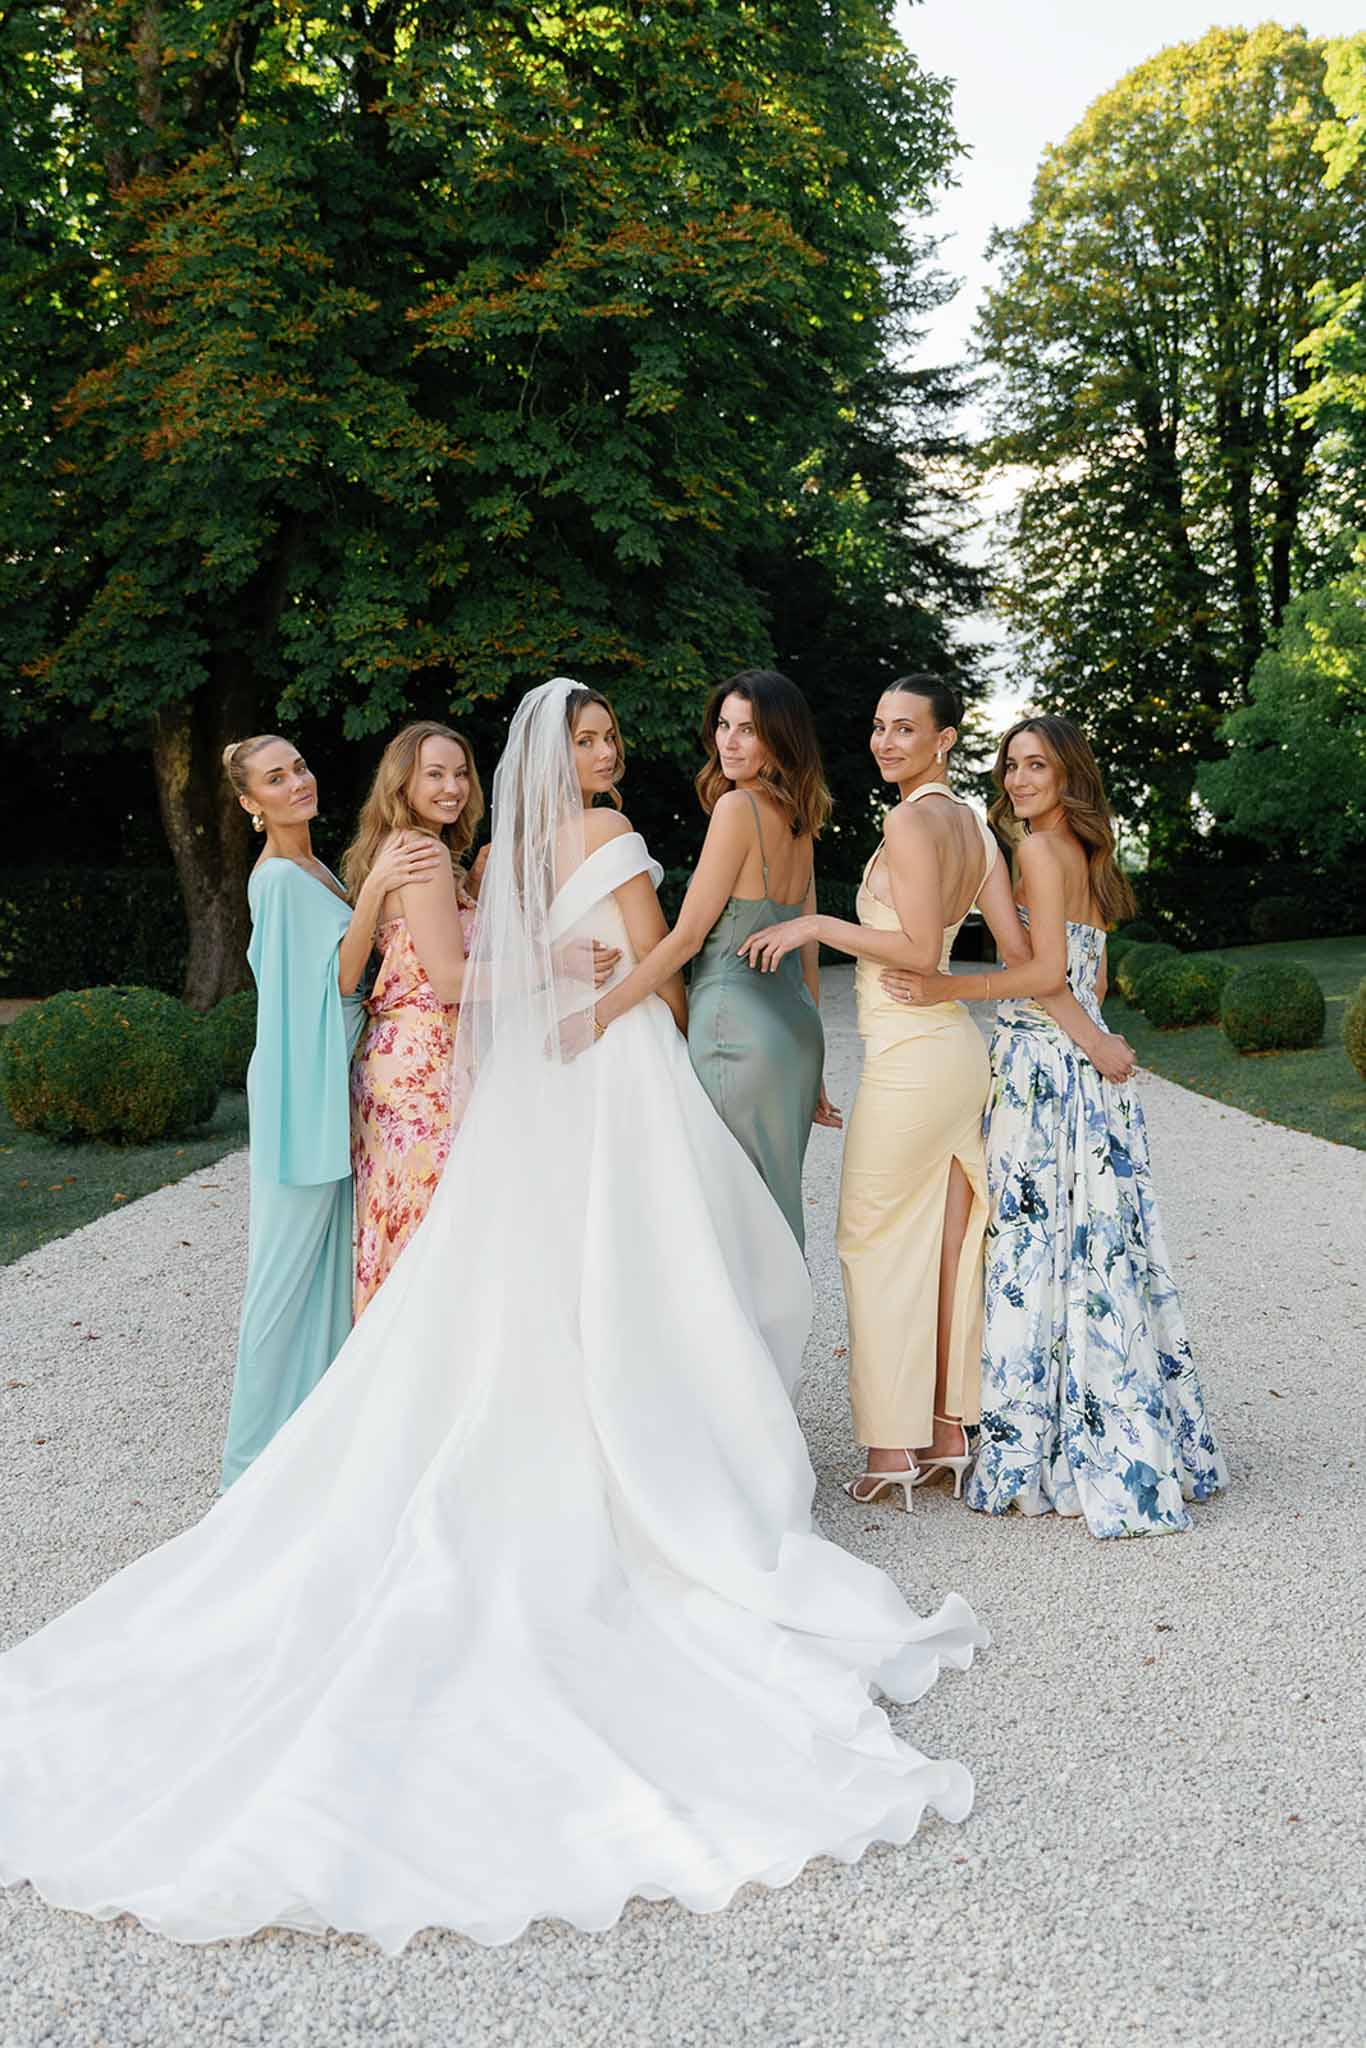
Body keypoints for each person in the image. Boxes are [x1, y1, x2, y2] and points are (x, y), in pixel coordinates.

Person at [0, 679, 986, 1951]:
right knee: (653, 1263)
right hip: (610, 1058)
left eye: (610, 738)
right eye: (589, 739)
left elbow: (487, 964)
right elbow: (663, 964)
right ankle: (672, 1442)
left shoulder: (510, 858)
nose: (606, 753)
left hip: (544, 1068)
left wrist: (575, 999)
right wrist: (632, 1020)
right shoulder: (607, 837)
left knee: (546, 1267)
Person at [881, 714, 1227, 1538]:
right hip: (1081, 1075)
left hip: (1043, 1071)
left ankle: (1027, 1442)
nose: (1017, 779)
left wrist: (943, 990)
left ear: (1069, 772)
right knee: (1092, 1252)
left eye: (1035, 765)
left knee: (1036, 1251)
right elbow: (1091, 976)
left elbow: (1040, 974)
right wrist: (1099, 1042)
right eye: (1010, 766)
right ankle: (1102, 1432)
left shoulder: (1037, 850)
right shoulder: (1088, 859)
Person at [216, 735, 440, 1488]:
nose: (297, 783)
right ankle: (247, 1467)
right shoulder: (280, 880)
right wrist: (376, 890)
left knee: (322, 1273)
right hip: (296, 1089)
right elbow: (338, 981)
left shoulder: (309, 867)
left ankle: (308, 1436)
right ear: (252, 803)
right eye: (275, 780)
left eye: (300, 767)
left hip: (326, 1075)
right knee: (280, 1280)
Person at [591, 670, 839, 1249]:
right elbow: (806, 950)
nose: (728, 741)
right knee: (774, 1211)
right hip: (795, 1038)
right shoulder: (802, 821)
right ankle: (780, 1335)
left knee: (731, 1218)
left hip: (736, 1028)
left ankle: (751, 1338)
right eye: (724, 726)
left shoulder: (738, 810)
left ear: (779, 738)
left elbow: (684, 939)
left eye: (747, 730)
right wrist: (816, 1058)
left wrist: (598, 1014)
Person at [344, 723, 484, 1318]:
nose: (452, 787)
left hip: (404, 1058)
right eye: (435, 773)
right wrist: (555, 967)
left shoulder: (413, 849)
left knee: (405, 1218)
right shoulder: (420, 854)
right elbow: (451, 980)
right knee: (430, 1223)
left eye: (460, 773)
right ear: (403, 781)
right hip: (421, 1068)